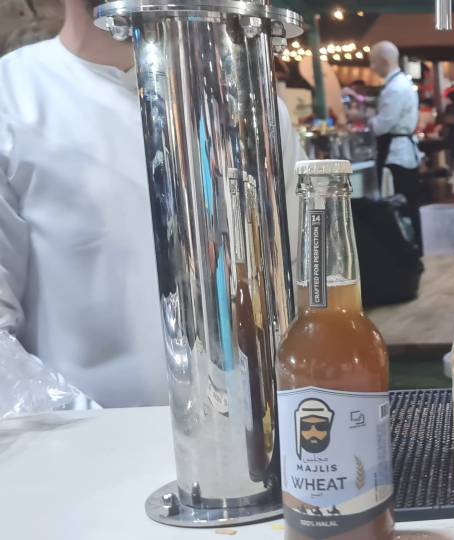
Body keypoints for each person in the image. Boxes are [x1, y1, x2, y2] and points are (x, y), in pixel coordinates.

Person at [0, 0, 306, 409]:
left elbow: (304, 278)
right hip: (81, 437)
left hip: (250, 429)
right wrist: (74, 424)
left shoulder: (248, 100)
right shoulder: (12, 96)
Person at [369, 41, 424, 249]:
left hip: (397, 155)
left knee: (399, 204)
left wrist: (368, 121)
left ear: (384, 61)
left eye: (373, 62)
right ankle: (413, 248)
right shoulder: (401, 83)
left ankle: (406, 249)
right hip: (403, 151)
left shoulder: (395, 88)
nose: (372, 67)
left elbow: (382, 125)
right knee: (409, 203)